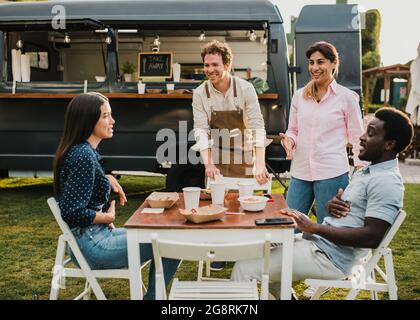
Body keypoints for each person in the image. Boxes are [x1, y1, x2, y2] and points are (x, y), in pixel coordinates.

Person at [231, 107, 414, 299]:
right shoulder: (369, 172)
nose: (360, 137)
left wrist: (314, 228)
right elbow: (354, 214)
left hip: (330, 258)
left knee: (244, 268)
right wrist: (333, 206)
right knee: (254, 253)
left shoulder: (386, 181)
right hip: (320, 246)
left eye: (370, 133)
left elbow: (372, 237)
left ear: (389, 144)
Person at [53, 92, 179, 300]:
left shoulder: (85, 151)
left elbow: (83, 185)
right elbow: (72, 212)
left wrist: (105, 177)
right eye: (105, 116)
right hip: (93, 245)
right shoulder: (82, 155)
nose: (112, 121)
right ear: (87, 120)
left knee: (165, 234)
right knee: (171, 243)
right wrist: (106, 217)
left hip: (96, 237)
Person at [192, 40, 270, 271]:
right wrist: (208, 163)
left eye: (214, 64)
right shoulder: (200, 93)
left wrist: (259, 164)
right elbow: (201, 130)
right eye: (206, 65)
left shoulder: (245, 89)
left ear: (226, 64)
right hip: (217, 159)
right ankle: (220, 253)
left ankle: (244, 252)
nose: (210, 70)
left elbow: (257, 126)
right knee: (218, 208)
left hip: (245, 155)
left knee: (244, 209)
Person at [279, 41, 366, 224]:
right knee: (289, 225)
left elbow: (358, 138)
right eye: (311, 62)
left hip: (332, 174)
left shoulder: (346, 97)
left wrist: (360, 170)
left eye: (321, 62)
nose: (314, 67)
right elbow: (293, 130)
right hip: (300, 172)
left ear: (333, 63)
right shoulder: (299, 96)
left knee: (328, 230)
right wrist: (290, 141)